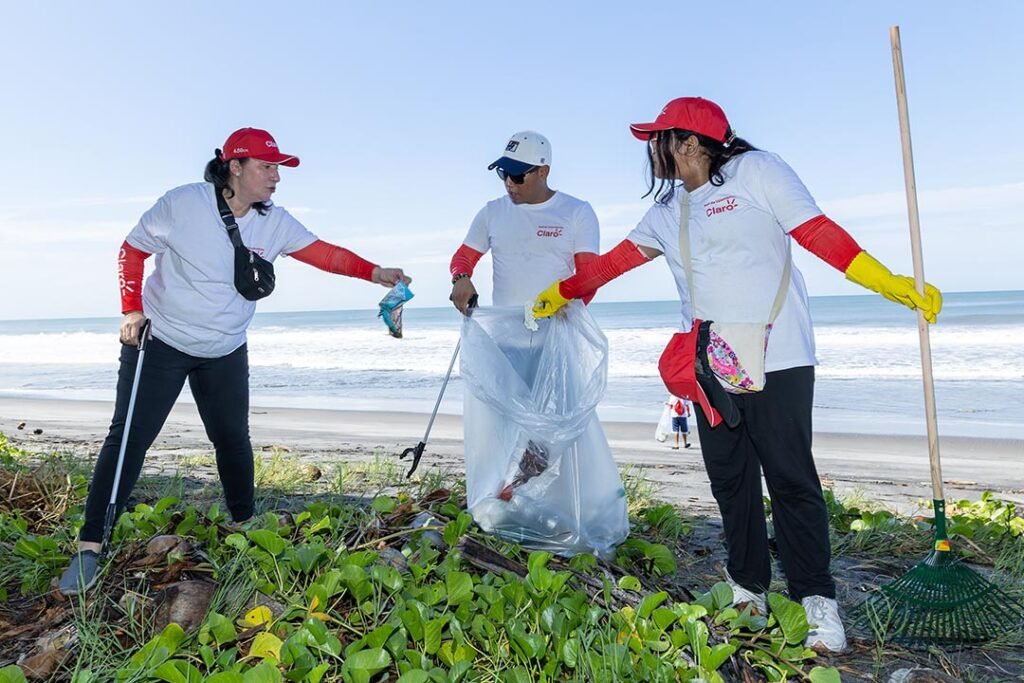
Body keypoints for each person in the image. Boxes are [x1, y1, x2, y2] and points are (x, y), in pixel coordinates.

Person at [532, 97, 942, 653]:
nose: (652, 151)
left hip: (781, 356)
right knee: (730, 479)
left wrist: (889, 282)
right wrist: (562, 292)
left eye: (660, 139)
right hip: (708, 366)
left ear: (690, 143)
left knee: (792, 480)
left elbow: (819, 233)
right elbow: (612, 265)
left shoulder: (760, 172)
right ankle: (747, 584)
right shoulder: (668, 210)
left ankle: (815, 598)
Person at [59, 127, 410, 596]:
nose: (275, 177)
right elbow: (133, 249)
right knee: (129, 438)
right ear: (235, 167)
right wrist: (130, 309)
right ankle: (90, 546)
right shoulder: (183, 205)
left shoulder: (275, 222)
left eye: (277, 169)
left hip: (224, 347)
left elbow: (324, 254)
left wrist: (375, 272)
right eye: (267, 167)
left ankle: (244, 522)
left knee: (231, 437)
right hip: (162, 340)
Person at [449, 131, 599, 312]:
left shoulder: (577, 212)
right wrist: (461, 278)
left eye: (517, 175)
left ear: (543, 172)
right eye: (504, 173)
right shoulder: (492, 212)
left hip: (557, 329)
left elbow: (589, 278)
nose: (509, 182)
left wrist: (565, 307)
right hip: (505, 332)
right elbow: (464, 257)